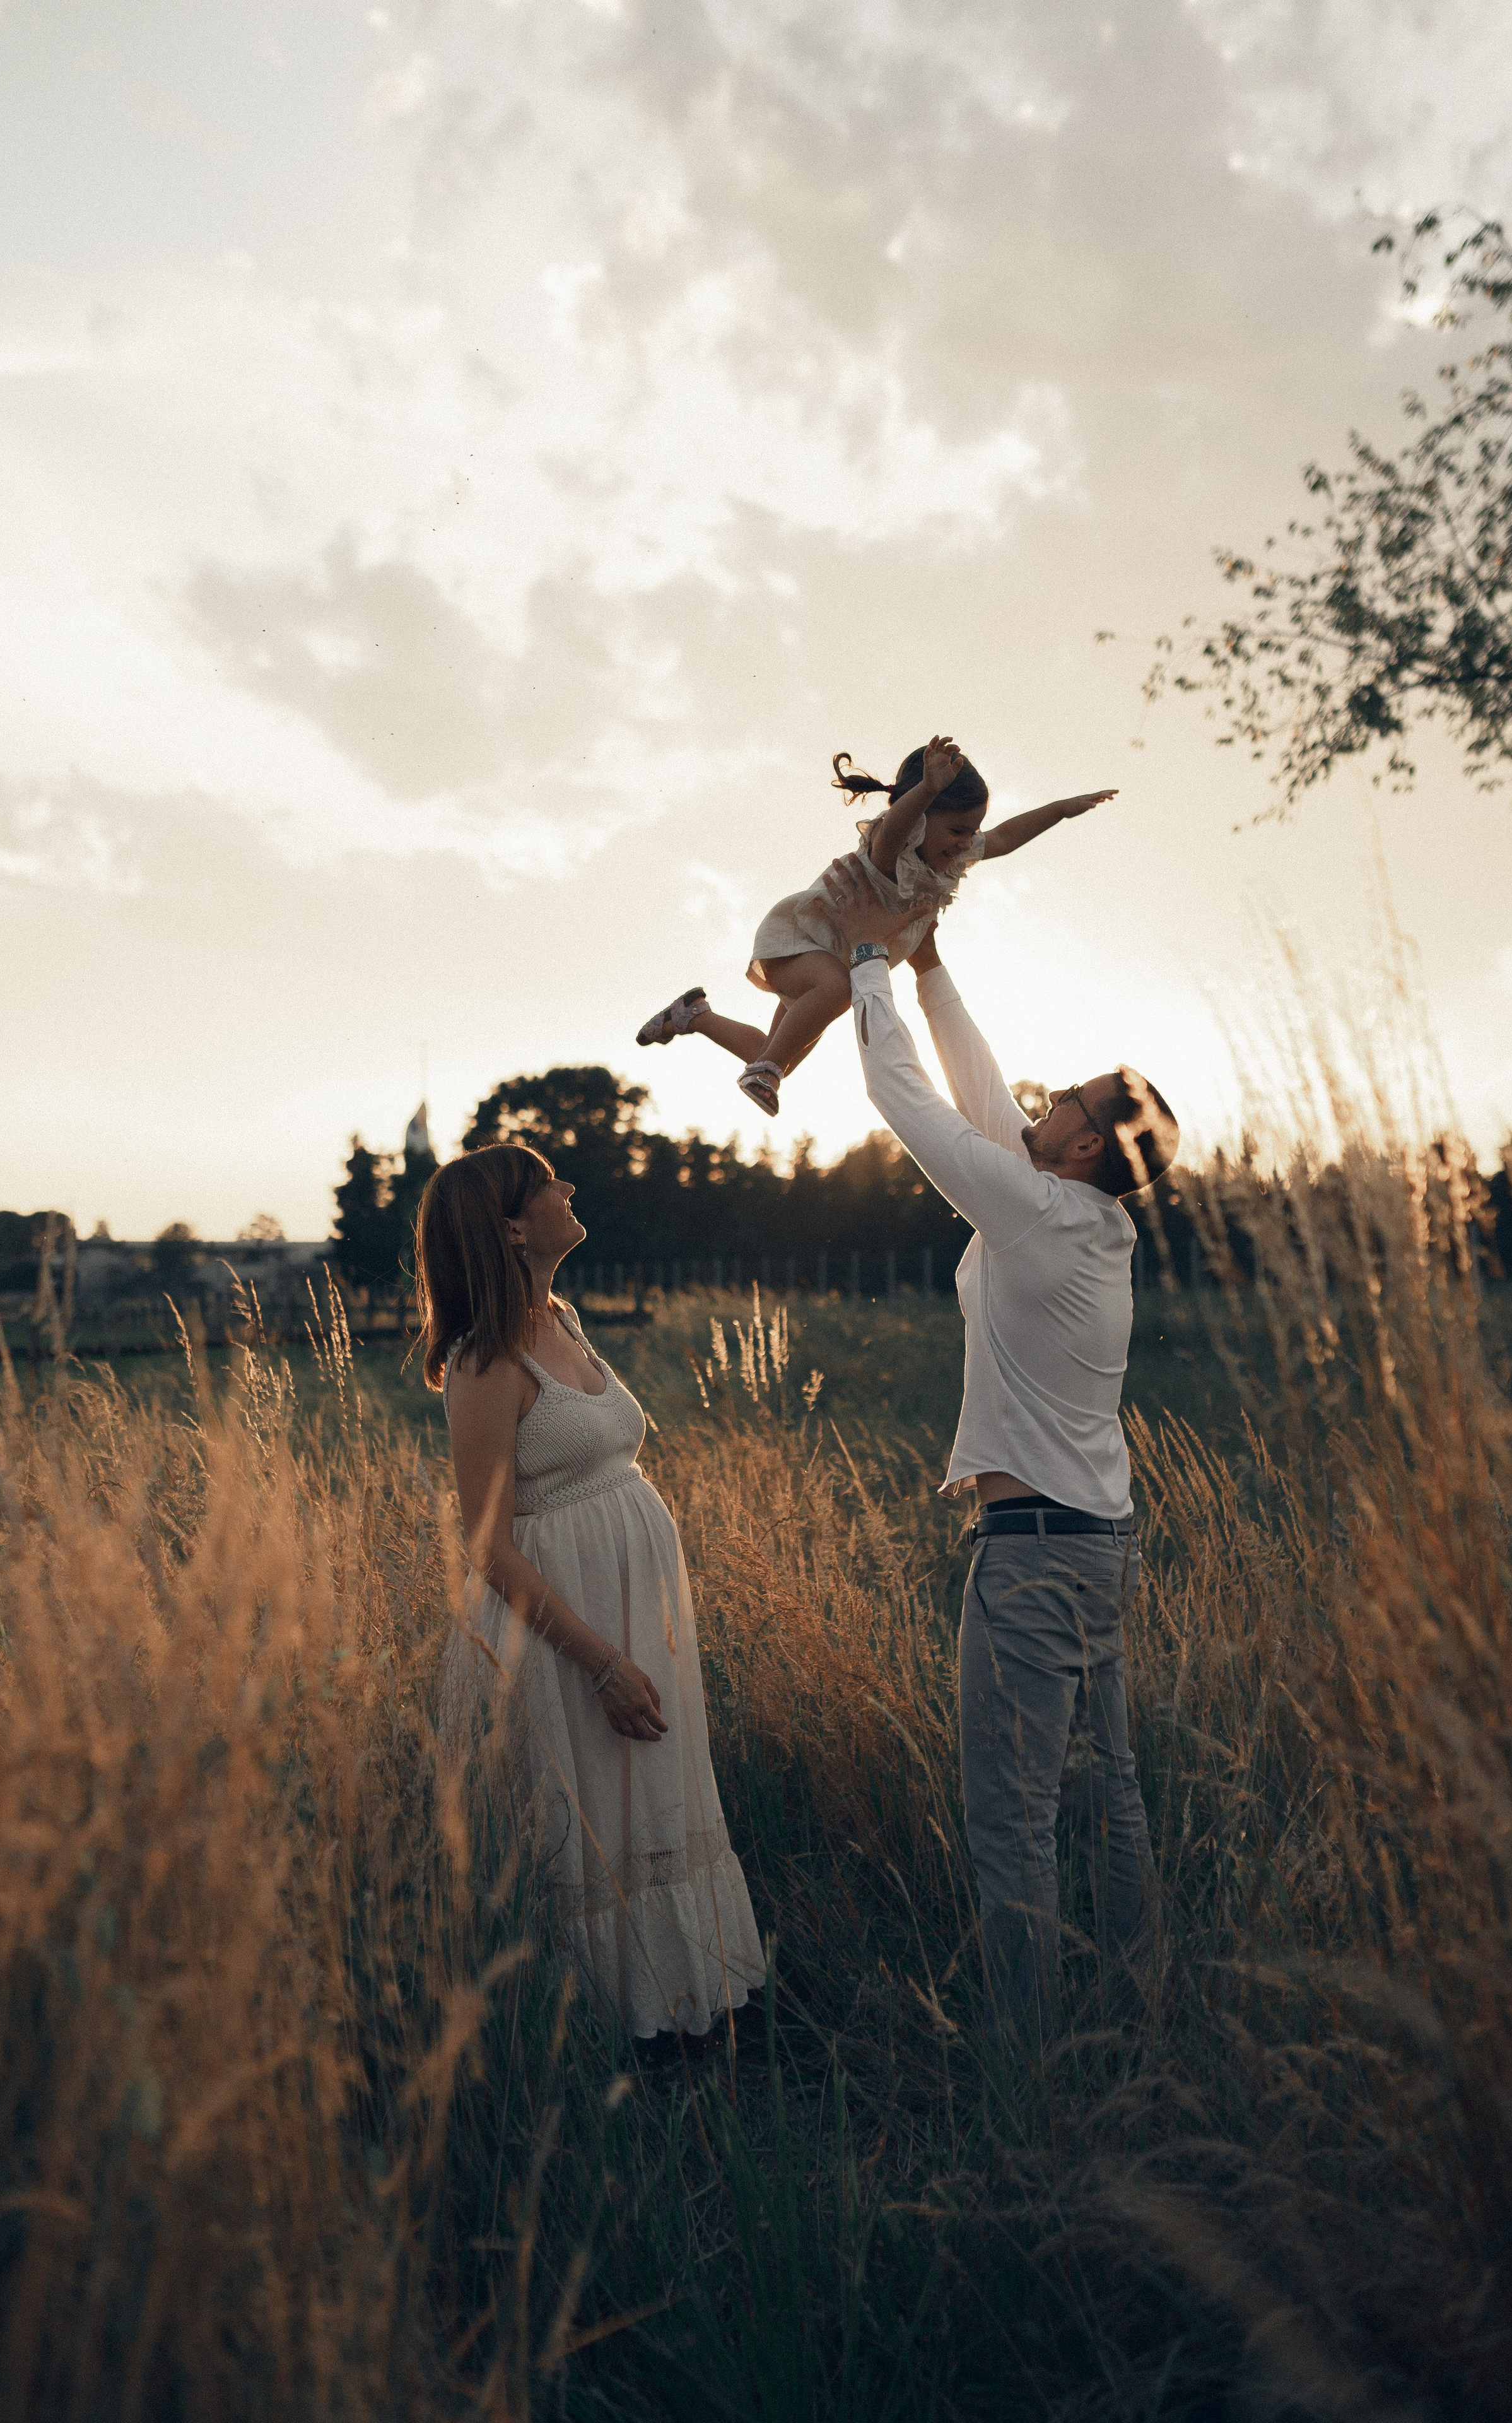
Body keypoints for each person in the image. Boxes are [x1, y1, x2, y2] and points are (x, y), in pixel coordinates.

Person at [818, 851, 1180, 2041]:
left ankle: (1025, 2062)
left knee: (1013, 1816)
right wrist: (930, 967)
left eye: (1064, 1104)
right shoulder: (1085, 1215)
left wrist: (869, 962)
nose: (1041, 1105)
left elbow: (916, 1109)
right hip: (1095, 1543)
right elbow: (987, 1108)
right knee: (1109, 1795)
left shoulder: (1038, 1206)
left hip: (1030, 1557)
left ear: (1081, 1149)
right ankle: (1138, 2014)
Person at [421, 1143, 765, 2044]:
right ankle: (605, 2042)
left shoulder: (563, 1318)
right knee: (586, 1834)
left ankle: (685, 2011)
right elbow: (488, 1544)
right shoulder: (483, 1361)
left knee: (647, 1803)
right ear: (509, 1227)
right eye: (549, 1187)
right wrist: (601, 1661)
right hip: (560, 1636)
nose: (570, 1189)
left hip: (625, 1614)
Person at [635, 735, 1114, 1118]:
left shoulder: (953, 853)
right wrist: (926, 788)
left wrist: (1062, 809)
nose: (967, 842)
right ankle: (762, 1072)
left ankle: (693, 1015)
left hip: (832, 959)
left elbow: (1007, 836)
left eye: (972, 831)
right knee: (836, 994)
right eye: (957, 830)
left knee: (776, 1050)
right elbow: (898, 825)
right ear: (922, 819)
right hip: (802, 941)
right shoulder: (893, 850)